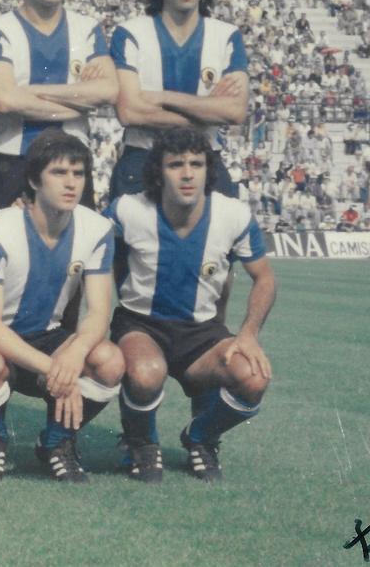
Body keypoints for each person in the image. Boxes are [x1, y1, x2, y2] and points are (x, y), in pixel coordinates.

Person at [0, 130, 123, 483]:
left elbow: (97, 313)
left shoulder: (96, 229)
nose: (71, 183)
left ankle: (56, 442)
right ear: (34, 179)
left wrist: (74, 354)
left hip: (50, 337)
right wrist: (53, 368)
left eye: (78, 174)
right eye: (59, 173)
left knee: (109, 361)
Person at [108, 127, 275, 483]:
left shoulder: (233, 215)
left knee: (254, 377)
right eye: (176, 164)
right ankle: (140, 443)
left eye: (196, 164)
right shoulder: (128, 209)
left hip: (201, 333)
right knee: (145, 373)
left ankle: (200, 437)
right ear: (158, 171)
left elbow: (265, 278)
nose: (187, 173)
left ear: (207, 169)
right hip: (141, 325)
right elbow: (94, 250)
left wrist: (247, 334)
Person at [0, 0, 117, 222]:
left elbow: (108, 91)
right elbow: (6, 100)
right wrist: (80, 98)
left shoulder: (87, 28)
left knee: (76, 261)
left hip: (73, 165)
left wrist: (28, 94)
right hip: (14, 163)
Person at [109, 0, 249, 201]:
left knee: (221, 240)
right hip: (143, 161)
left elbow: (235, 111)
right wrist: (207, 112)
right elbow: (128, 112)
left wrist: (161, 98)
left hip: (205, 163)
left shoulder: (226, 36)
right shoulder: (130, 33)